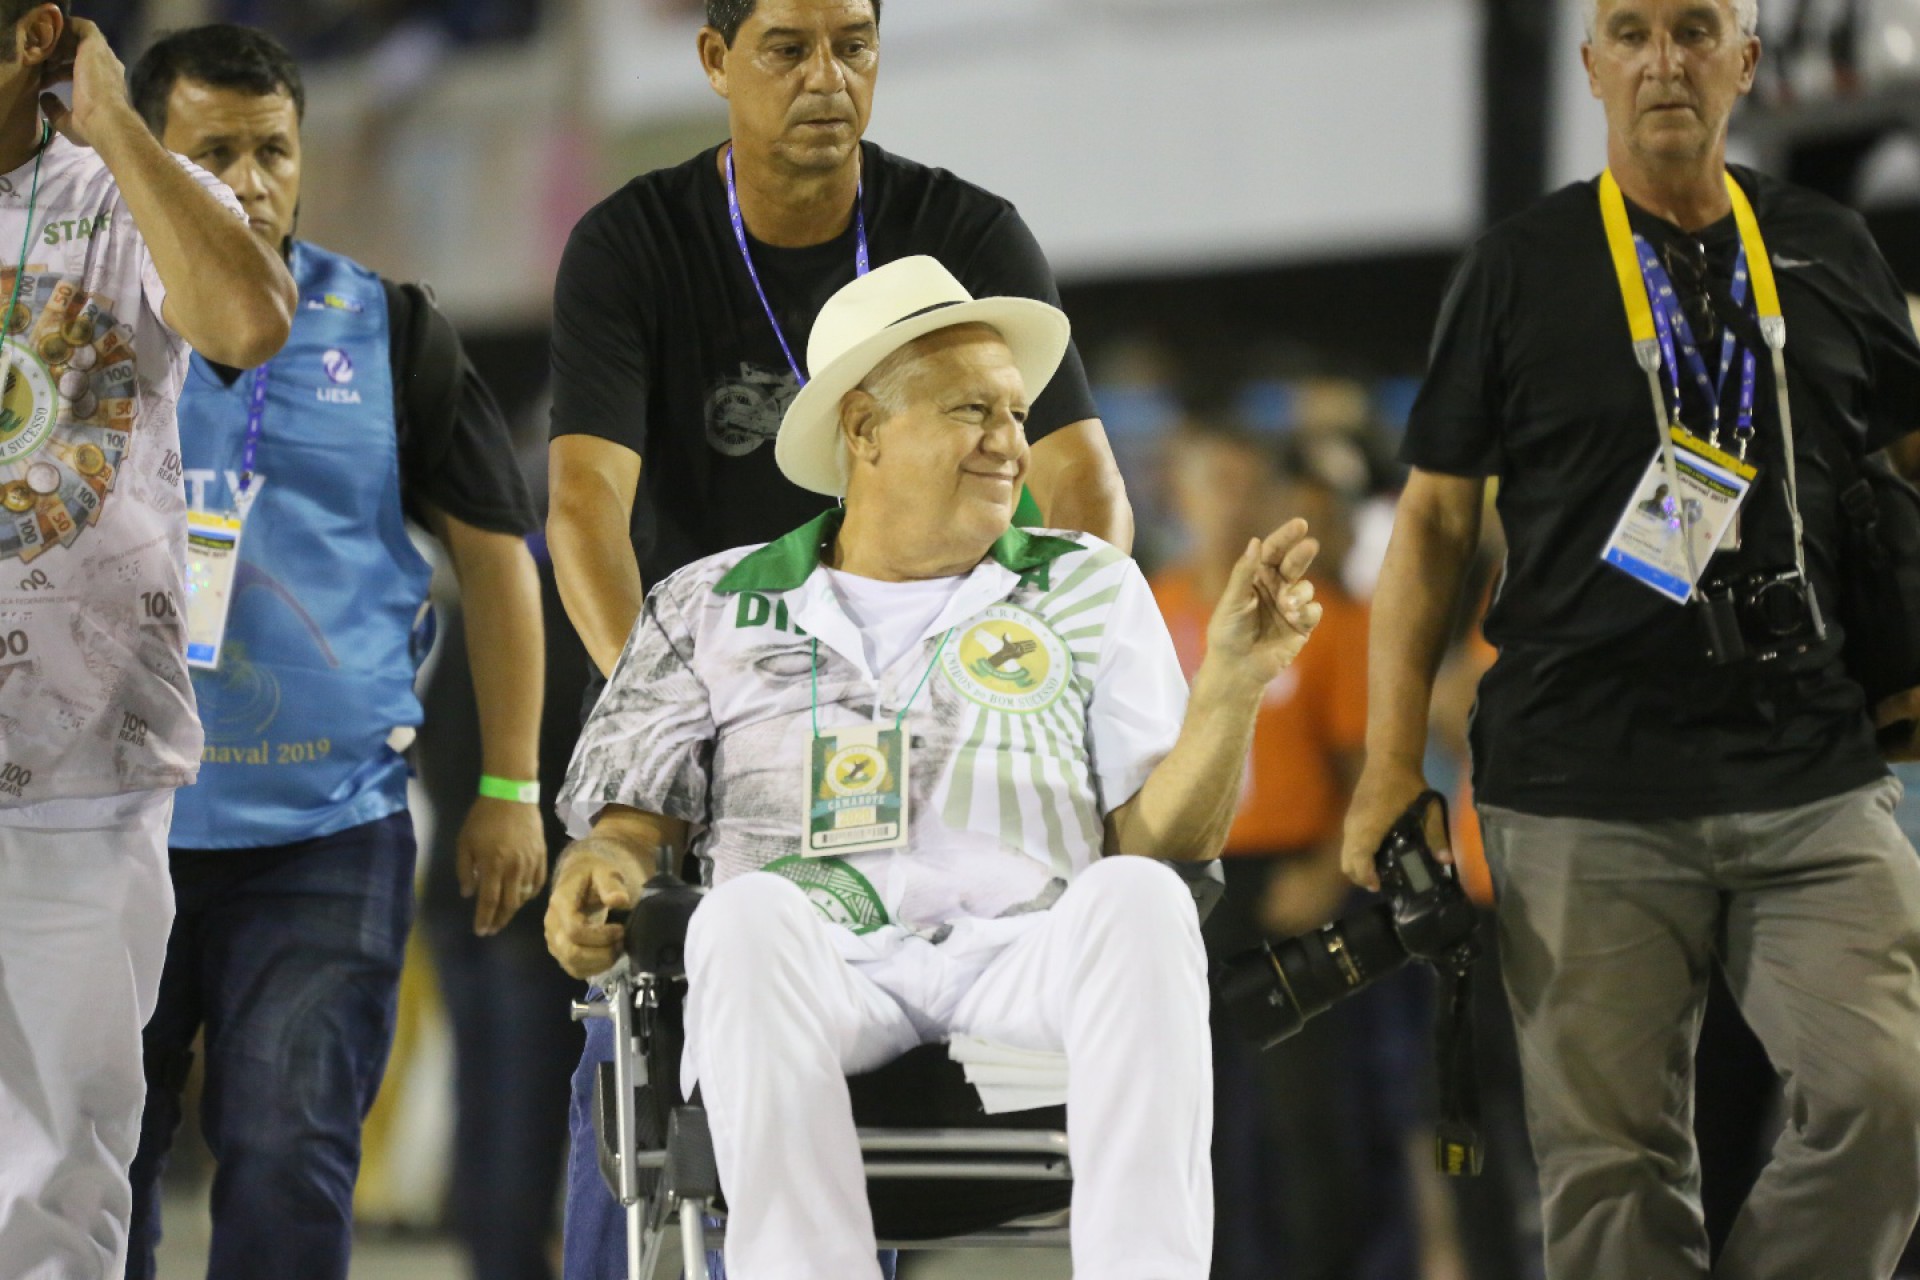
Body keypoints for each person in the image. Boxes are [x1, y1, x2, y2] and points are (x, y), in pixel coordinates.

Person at [544, 256, 1323, 1280]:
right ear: (864, 429)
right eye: (976, 411)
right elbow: (625, 827)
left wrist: (1229, 683)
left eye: (1018, 412)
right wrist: (597, 865)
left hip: (1023, 956)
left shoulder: (1089, 584)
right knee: (735, 915)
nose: (1013, 443)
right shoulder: (710, 603)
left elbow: (1164, 841)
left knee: (1139, 894)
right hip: (819, 964)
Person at [1342, 1, 1920, 1276]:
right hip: (1582, 779)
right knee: (1613, 1170)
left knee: (1897, 1098)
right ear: (1592, 63)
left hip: (1809, 765)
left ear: (1747, 62)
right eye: (1634, 30)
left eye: (1697, 28)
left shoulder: (1827, 247)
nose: (1666, 58)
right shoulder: (1518, 267)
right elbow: (1434, 523)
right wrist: (1392, 765)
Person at [115, 25, 546, 1280]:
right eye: (211, 154)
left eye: (272, 150)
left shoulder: (392, 329)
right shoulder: (84, 324)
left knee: (292, 1148)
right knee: (98, 1155)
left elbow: (499, 559)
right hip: (111, 823)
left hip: (323, 830)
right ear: (148, 157)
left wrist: (509, 786)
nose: (249, 182)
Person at [545, 0, 1132, 688]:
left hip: (919, 677)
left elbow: (1081, 476)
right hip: (694, 664)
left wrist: (1062, 658)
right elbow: (587, 502)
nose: (827, 79)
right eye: (788, 51)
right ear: (715, 60)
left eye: (854, 48)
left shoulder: (967, 234)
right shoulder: (629, 247)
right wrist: (651, 696)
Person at [0, 4, 295, 1275]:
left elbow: (247, 323)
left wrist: (117, 123)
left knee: (59, 1173)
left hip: (81, 764)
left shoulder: (124, 189)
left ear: (33, 36)